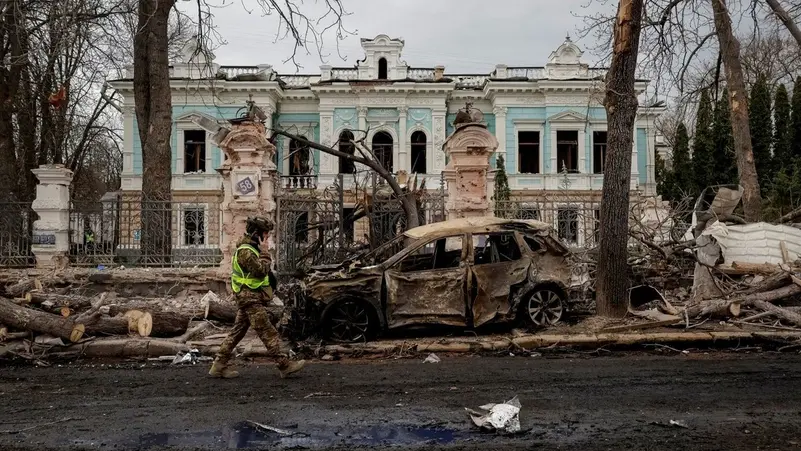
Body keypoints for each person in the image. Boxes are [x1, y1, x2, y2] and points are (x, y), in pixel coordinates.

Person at [209, 216, 305, 379]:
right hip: (249, 297)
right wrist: (266, 253)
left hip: (249, 296)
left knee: (237, 332)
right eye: (265, 234)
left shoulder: (250, 248)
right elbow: (261, 270)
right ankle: (284, 364)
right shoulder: (246, 251)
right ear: (257, 234)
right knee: (267, 331)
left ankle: (218, 365)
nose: (267, 237)